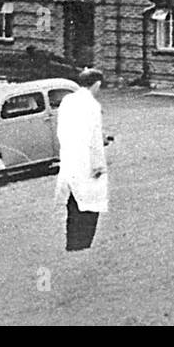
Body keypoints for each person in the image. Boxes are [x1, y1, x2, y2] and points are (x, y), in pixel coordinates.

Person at [55, 67, 109, 252]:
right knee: (89, 202)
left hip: (70, 155)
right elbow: (94, 138)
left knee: (73, 199)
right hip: (87, 160)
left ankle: (72, 241)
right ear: (97, 84)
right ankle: (83, 243)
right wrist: (98, 164)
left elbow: (62, 129)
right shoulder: (92, 105)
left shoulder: (68, 100)